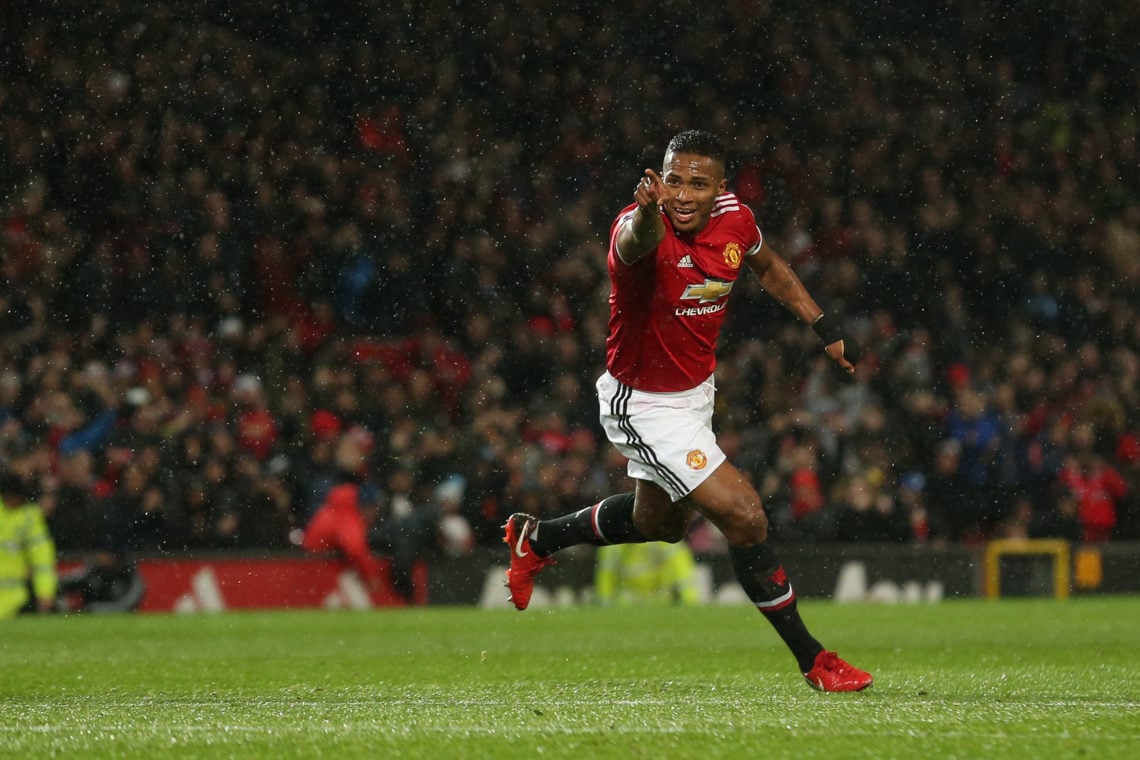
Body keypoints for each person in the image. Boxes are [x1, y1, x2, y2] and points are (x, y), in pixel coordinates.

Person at [503, 130, 872, 692]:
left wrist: (824, 327)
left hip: (695, 395)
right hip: (642, 403)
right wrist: (648, 212)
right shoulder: (637, 226)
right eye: (673, 179)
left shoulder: (736, 219)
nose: (682, 193)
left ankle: (539, 538)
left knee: (662, 523)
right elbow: (636, 238)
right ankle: (815, 661)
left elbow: (768, 266)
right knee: (746, 516)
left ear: (719, 188)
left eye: (698, 184)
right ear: (660, 177)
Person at [0, 474, 58, 618]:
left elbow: (42, 559)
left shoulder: (29, 518)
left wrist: (45, 592)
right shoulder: (29, 516)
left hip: (16, 600)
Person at [56, 540, 146, 613]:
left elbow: (129, 604)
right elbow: (67, 581)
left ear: (114, 556)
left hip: (118, 620)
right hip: (91, 618)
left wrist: (94, 609)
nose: (98, 556)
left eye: (103, 554)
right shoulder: (93, 571)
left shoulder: (129, 575)